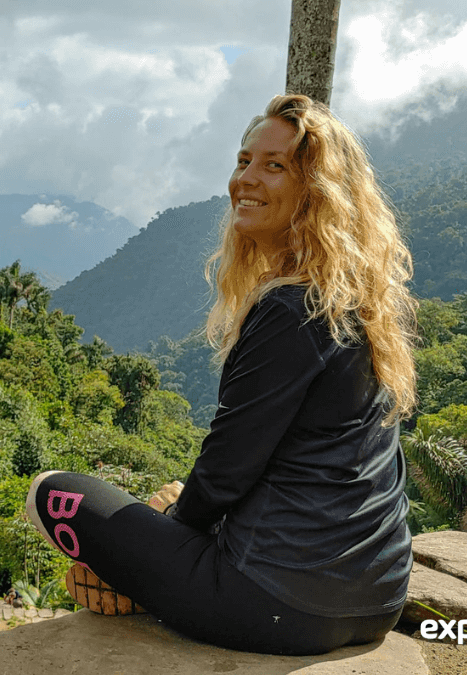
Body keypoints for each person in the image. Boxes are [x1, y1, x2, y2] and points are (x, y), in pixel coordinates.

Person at [26, 94, 417, 656]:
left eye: (274, 165)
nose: (246, 179)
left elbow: (226, 472)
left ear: (318, 192)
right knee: (161, 510)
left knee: (52, 493)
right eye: (243, 161)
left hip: (276, 604)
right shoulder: (361, 302)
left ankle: (140, 585)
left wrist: (156, 545)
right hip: (377, 599)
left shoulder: (289, 309)